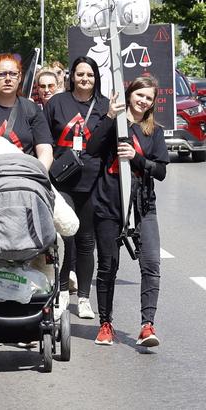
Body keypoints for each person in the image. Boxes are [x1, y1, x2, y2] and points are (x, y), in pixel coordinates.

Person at [86, 76, 168, 347]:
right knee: (108, 266)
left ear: (153, 103)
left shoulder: (153, 131)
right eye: (139, 95)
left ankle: (147, 325)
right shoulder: (115, 122)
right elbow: (93, 148)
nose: (143, 101)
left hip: (143, 205)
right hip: (109, 203)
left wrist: (137, 157)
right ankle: (106, 324)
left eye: (148, 98)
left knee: (152, 264)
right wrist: (110, 115)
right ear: (129, 94)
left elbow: (160, 171)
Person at [44, 56, 111, 319]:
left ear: (96, 77)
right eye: (80, 74)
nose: (85, 79)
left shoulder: (105, 106)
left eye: (90, 75)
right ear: (71, 76)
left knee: (86, 241)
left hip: (93, 182)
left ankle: (83, 298)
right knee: (65, 237)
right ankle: (61, 291)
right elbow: (44, 139)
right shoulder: (57, 103)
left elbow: (109, 145)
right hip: (62, 181)